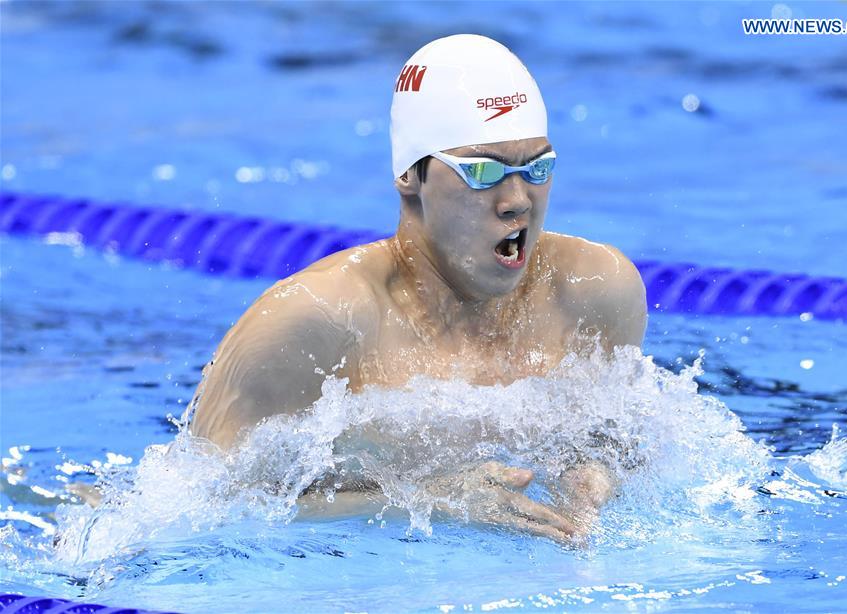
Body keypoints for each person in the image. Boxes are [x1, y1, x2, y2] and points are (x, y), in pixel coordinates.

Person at [189, 34, 647, 543]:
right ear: (410, 174)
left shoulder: (593, 291)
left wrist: (599, 472)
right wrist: (426, 501)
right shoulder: (315, 321)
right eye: (481, 172)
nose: (518, 201)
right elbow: (205, 511)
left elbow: (616, 436)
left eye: (537, 168)